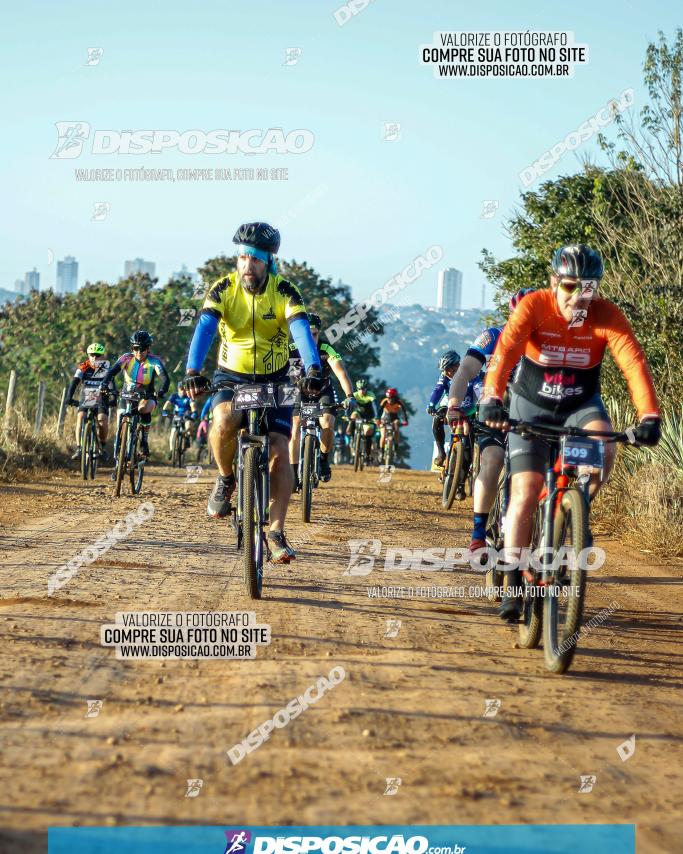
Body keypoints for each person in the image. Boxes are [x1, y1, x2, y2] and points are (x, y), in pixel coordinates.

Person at [479, 245, 661, 620]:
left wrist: (649, 415)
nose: (578, 296)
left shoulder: (606, 315)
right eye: (569, 286)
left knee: (606, 449)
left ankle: (573, 513)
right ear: (553, 283)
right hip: (530, 406)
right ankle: (513, 581)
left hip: (580, 407)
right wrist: (492, 397)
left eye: (588, 288)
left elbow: (633, 361)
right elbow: (506, 351)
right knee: (526, 491)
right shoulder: (534, 306)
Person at [183, 221, 322, 564]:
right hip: (232, 376)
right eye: (243, 258)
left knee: (279, 450)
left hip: (275, 379)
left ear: (269, 261)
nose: (247, 266)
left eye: (255, 260)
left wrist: (314, 368)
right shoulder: (223, 289)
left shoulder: (285, 291)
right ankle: (226, 478)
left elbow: (301, 329)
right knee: (224, 420)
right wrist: (192, 371)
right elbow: (204, 328)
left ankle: (275, 531)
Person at [446, 289, 534, 550]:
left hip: (531, 414)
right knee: (493, 459)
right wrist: (453, 404)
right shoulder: (492, 337)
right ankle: (478, 534)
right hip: (493, 409)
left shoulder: (546, 341)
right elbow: (464, 372)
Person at [288, 313, 354, 487]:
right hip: (299, 390)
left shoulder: (327, 349)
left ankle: (324, 460)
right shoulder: (292, 349)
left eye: (315, 334)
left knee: (327, 422)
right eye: (306, 335)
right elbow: (287, 375)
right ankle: (293, 473)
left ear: (319, 333)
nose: (311, 339)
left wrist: (350, 396)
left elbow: (341, 374)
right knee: (294, 428)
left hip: (323, 390)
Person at [99, 330, 169, 461]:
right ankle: (118, 455)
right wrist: (104, 384)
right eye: (135, 348)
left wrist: (161, 390)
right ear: (132, 348)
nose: (139, 352)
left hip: (146, 394)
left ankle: (144, 441)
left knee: (143, 410)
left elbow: (165, 378)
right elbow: (112, 372)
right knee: (121, 415)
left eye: (142, 348)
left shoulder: (154, 361)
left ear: (148, 348)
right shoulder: (126, 358)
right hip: (127, 393)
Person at [66, 342, 115, 460]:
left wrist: (113, 398)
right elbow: (74, 382)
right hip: (88, 395)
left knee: (102, 421)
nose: (94, 358)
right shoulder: (83, 366)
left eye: (97, 355)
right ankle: (79, 448)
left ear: (102, 356)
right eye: (92, 355)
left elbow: (112, 385)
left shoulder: (106, 368)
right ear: (88, 355)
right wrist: (69, 397)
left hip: (102, 396)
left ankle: (102, 447)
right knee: (81, 416)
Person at [426, 350, 461, 469]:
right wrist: (431, 404)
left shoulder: (468, 372)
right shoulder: (444, 376)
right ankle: (441, 453)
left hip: (467, 404)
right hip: (448, 403)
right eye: (443, 370)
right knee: (437, 419)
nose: (445, 373)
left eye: (447, 369)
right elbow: (438, 390)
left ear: (456, 366)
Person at [347, 378, 379, 465]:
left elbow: (375, 407)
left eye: (363, 388)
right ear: (357, 389)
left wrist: (376, 417)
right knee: (353, 415)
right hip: (359, 415)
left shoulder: (371, 395)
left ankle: (367, 456)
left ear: (366, 388)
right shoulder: (355, 395)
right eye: (360, 389)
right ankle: (352, 437)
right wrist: (347, 415)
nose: (362, 390)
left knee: (368, 433)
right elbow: (348, 405)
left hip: (369, 417)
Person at [162, 385, 197, 455]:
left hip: (186, 416)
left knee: (188, 425)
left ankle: (187, 439)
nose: (183, 391)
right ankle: (172, 451)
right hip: (176, 416)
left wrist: (194, 412)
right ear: (178, 389)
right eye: (181, 389)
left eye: (184, 389)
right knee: (172, 434)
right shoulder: (174, 396)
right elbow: (167, 403)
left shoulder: (189, 396)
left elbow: (192, 405)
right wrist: (164, 410)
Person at [379, 388, 409, 454]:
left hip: (394, 418)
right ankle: (381, 451)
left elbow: (404, 412)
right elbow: (379, 411)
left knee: (396, 428)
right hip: (384, 418)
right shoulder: (384, 401)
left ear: (395, 398)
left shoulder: (399, 402)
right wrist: (378, 419)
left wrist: (405, 420)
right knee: (383, 435)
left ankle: (396, 446)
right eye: (388, 397)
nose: (389, 399)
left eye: (391, 398)